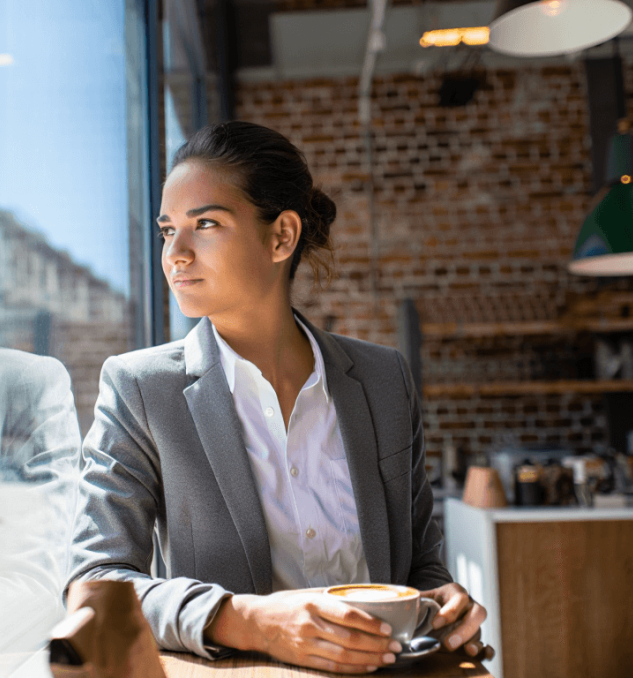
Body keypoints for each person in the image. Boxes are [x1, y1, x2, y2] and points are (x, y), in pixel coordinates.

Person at [69, 121, 488, 674]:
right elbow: (95, 583)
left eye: (206, 224)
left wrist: (443, 604)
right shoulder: (142, 388)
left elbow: (419, 565)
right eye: (167, 230)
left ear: (281, 237)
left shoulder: (384, 380)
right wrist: (251, 621)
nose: (176, 253)